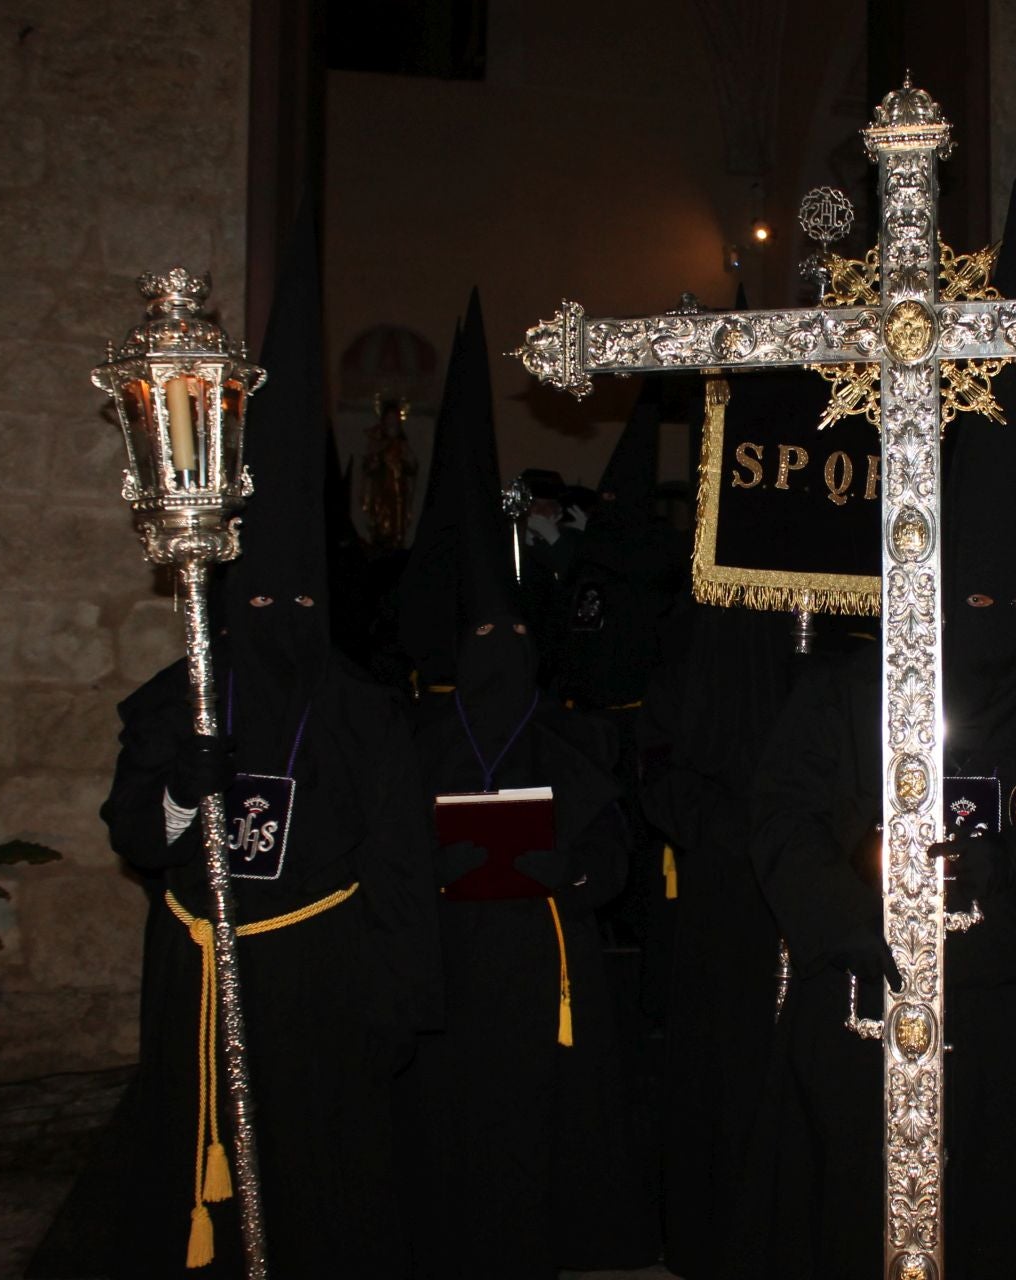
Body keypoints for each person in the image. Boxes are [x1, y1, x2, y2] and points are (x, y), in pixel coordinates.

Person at [98, 221, 441, 1277]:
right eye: (266, 596)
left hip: (317, 986)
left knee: (316, 1190)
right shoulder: (180, 694)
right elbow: (130, 830)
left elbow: (400, 872)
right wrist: (175, 795)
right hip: (197, 976)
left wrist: (398, 1000)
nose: (283, 611)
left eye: (302, 596)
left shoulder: (362, 715)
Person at [727, 395, 1016, 1280]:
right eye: (974, 596)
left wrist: (1009, 866)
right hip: (856, 1002)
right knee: (847, 1216)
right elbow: (780, 815)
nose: (994, 616)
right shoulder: (841, 698)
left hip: (1001, 1016)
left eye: (1012, 598)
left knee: (1001, 1217)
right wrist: (844, 918)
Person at [393, 292, 656, 1279]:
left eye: (516, 640)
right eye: (487, 641)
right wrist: (434, 868)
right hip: (457, 967)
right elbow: (384, 844)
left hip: (547, 961)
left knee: (556, 1115)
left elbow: (609, 852)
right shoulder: (419, 745)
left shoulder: (562, 741)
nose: (502, 652)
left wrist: (571, 874)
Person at [639, 599, 796, 1280]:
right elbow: (655, 772)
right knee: (716, 1061)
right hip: (711, 906)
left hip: (788, 901)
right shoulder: (681, 683)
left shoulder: (805, 678)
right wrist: (718, 827)